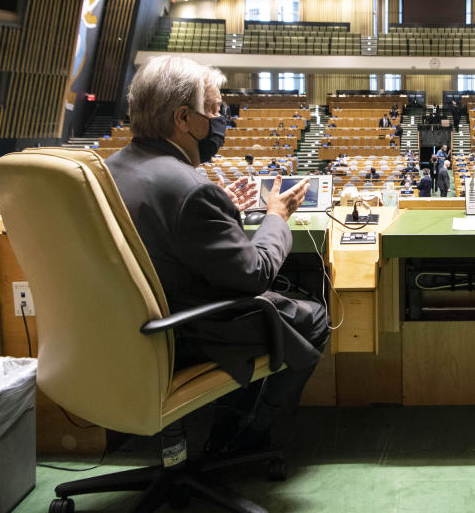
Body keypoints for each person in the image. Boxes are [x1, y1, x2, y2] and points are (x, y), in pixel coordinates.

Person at [106, 55, 329, 455]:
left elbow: (159, 229)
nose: (221, 119)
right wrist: (275, 217)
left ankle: (218, 422)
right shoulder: (188, 187)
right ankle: (249, 438)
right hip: (191, 331)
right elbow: (254, 273)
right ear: (182, 119)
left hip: (126, 329)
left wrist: (222, 209)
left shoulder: (109, 171)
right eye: (213, 109)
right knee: (313, 316)